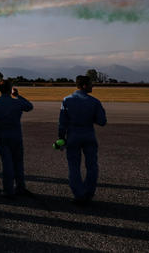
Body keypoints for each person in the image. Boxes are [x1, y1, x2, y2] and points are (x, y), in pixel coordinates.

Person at [59, 75, 107, 205]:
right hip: (89, 135)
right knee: (92, 166)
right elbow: (102, 121)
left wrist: (61, 138)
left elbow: (62, 123)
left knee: (73, 166)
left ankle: (79, 194)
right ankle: (89, 192)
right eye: (91, 84)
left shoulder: (67, 100)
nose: (93, 86)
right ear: (84, 86)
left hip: (73, 135)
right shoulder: (95, 102)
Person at [0, 79, 34, 198]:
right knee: (18, 163)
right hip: (16, 135)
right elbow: (29, 106)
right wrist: (18, 95)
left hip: (2, 136)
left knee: (7, 163)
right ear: (10, 89)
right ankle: (20, 187)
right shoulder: (17, 103)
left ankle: (8, 189)